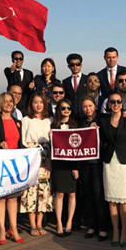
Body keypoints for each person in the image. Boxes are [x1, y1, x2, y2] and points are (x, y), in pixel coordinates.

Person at [100, 93, 126, 246]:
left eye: (118, 101)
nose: (115, 104)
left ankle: (124, 231)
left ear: (122, 104)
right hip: (109, 163)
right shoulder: (103, 121)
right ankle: (115, 231)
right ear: (108, 104)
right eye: (112, 102)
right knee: (112, 201)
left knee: (124, 200)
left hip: (125, 163)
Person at [0, 92, 25, 244]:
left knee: (13, 198)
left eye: (11, 101)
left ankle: (14, 229)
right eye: (6, 101)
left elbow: (21, 144)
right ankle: (2, 230)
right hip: (0, 164)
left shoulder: (18, 122)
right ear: (0, 104)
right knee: (1, 197)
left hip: (15, 165)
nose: (9, 104)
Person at [20, 92, 53, 237]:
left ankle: (40, 223)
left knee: (43, 191)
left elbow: (52, 142)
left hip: (45, 158)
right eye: (35, 102)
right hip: (31, 157)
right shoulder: (26, 120)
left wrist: (49, 160)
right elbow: (23, 141)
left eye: (41, 102)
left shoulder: (49, 120)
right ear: (31, 104)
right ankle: (32, 224)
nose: (38, 105)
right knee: (31, 192)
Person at [78, 95, 109, 241]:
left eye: (90, 106)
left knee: (98, 195)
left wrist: (98, 132)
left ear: (95, 106)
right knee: (88, 194)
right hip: (85, 164)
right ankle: (92, 225)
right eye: (85, 106)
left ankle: (103, 227)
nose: (87, 109)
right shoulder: (81, 122)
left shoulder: (102, 120)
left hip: (98, 164)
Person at [51, 98, 79, 237]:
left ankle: (69, 222)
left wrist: (76, 167)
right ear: (59, 110)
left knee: (72, 194)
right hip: (58, 164)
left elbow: (79, 147)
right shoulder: (53, 125)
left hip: (71, 164)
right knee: (60, 194)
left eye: (68, 108)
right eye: (63, 108)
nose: (66, 110)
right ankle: (59, 223)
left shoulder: (75, 125)